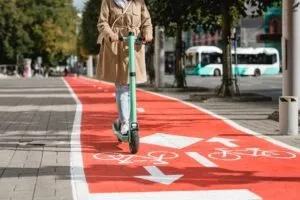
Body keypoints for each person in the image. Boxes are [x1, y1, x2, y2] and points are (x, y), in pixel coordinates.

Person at [96, 0, 153, 135]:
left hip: (134, 45)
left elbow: (147, 21)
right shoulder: (108, 2)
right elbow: (102, 23)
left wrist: (148, 33)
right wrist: (110, 34)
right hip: (116, 45)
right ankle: (124, 123)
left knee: (131, 84)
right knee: (122, 85)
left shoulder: (139, 2)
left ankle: (129, 119)